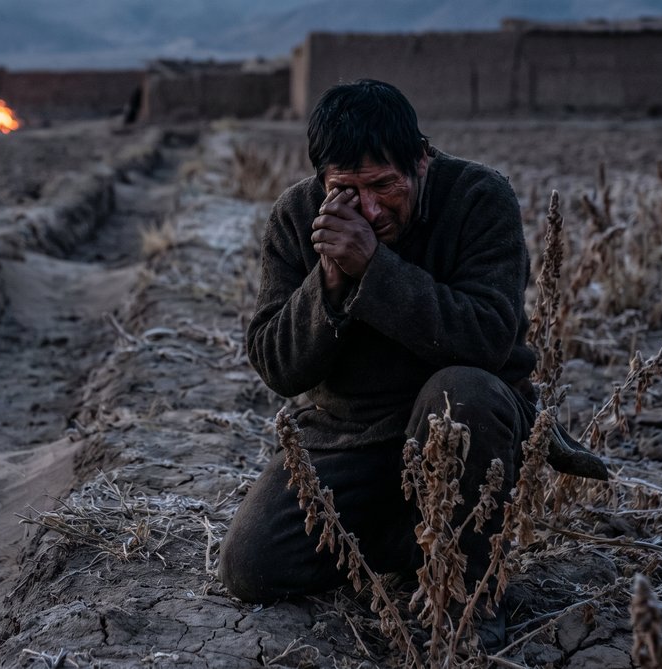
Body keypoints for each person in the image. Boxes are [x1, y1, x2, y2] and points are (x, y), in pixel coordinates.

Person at [218, 79, 540, 645]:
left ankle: (466, 593)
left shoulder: (478, 198)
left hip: (463, 424)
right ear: (322, 180)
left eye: (385, 186)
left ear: (421, 160)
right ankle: (410, 536)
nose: (369, 209)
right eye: (346, 189)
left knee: (463, 390)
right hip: (348, 432)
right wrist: (329, 283)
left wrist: (375, 270)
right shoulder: (297, 217)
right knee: (251, 565)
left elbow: (489, 337)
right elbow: (277, 365)